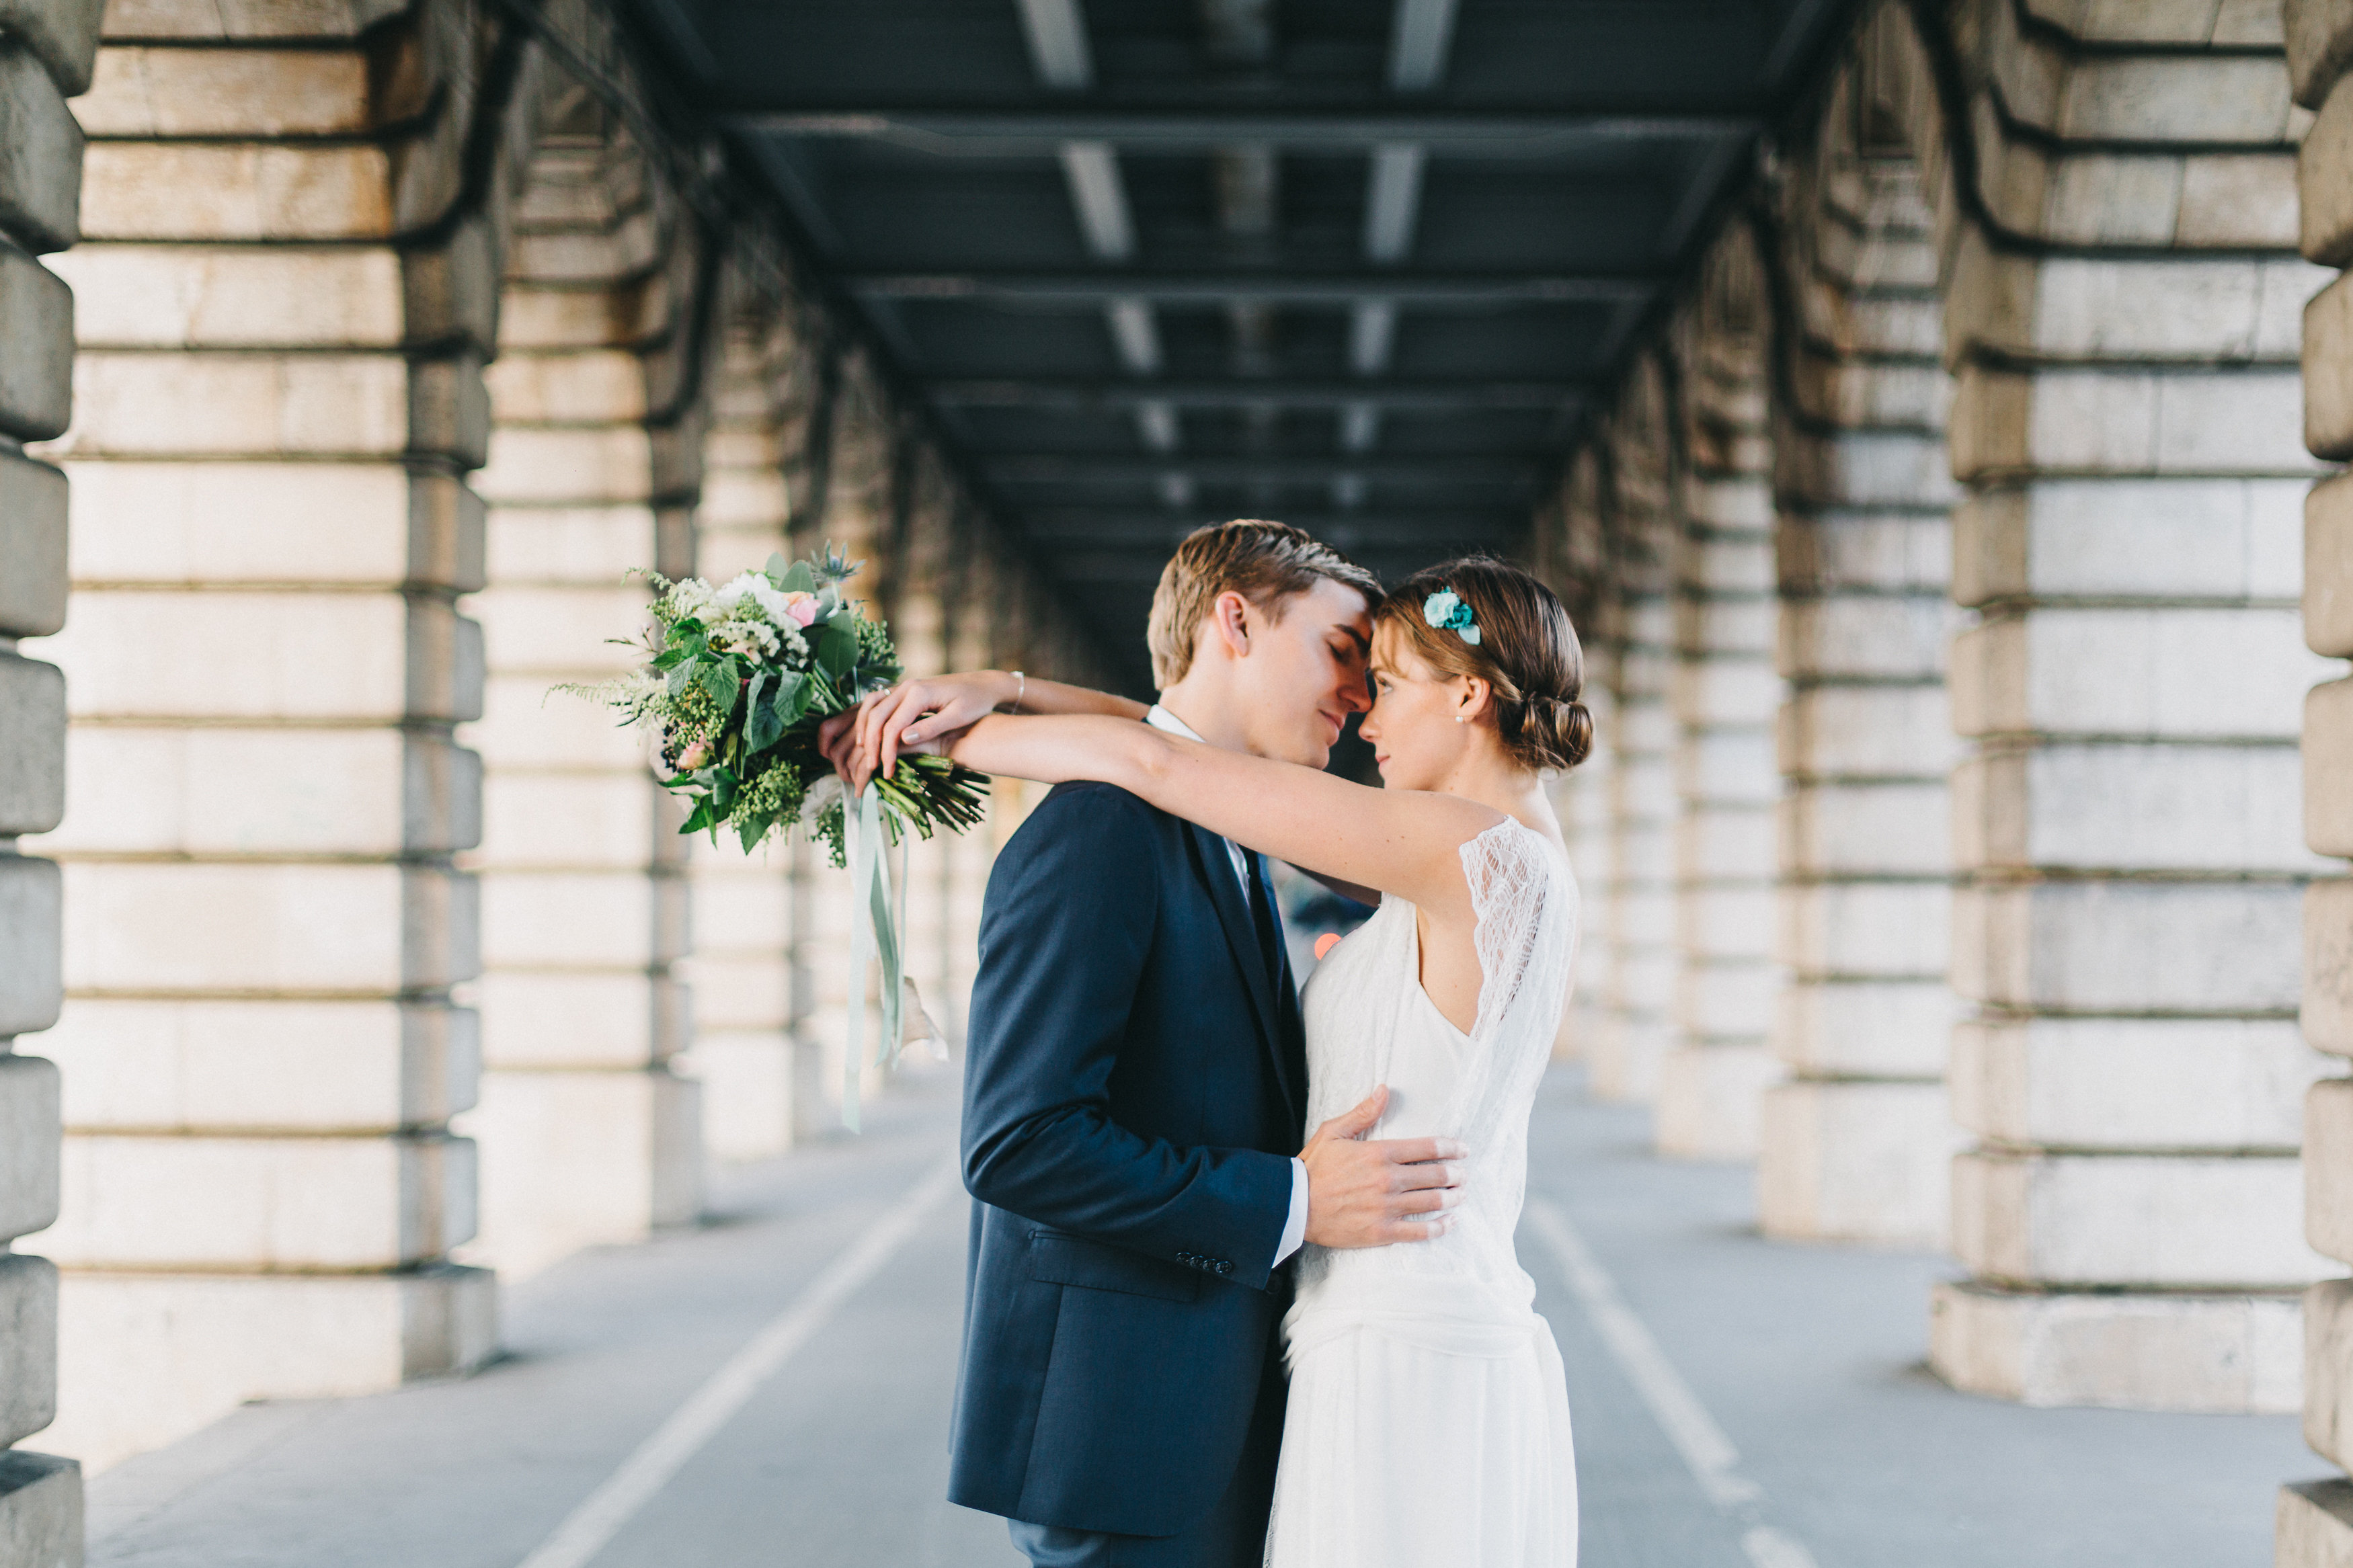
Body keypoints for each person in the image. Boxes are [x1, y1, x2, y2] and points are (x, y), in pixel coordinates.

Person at [831, 540, 1593, 1568]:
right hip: (1406, 1328)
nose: (1363, 713)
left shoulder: (1454, 852)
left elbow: (1165, 761)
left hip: (1398, 1346)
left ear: (1467, 697)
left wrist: (933, 737)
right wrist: (1003, 687)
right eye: (1348, 663)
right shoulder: (1499, 853)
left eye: (1386, 681)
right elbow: (1177, 751)